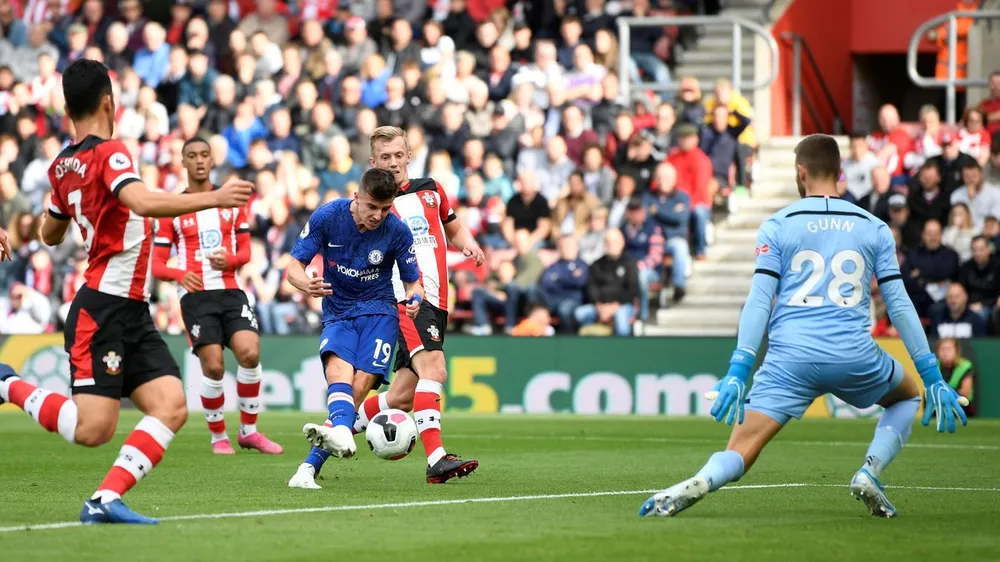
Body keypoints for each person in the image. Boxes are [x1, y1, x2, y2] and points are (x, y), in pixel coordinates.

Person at [639, 134, 969, 519]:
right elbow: (898, 303)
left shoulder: (778, 225)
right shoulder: (874, 227)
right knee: (907, 396)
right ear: (840, 173)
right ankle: (870, 470)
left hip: (789, 358)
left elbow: (760, 301)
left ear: (801, 172)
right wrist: (930, 374)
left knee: (740, 448)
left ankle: (702, 479)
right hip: (853, 354)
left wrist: (738, 369)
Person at [0, 59, 252, 525]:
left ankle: (104, 500)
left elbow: (50, 233)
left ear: (66, 107)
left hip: (130, 309)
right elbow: (142, 202)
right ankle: (7, 382)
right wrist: (213, 197)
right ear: (107, 102)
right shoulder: (111, 152)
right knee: (93, 429)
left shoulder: (62, 165)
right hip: (101, 309)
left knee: (171, 405)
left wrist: (39, 223)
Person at [356, 125, 485, 484]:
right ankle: (436, 459)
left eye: (399, 155)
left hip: (439, 300)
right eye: (385, 157)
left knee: (399, 396)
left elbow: (452, 226)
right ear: (373, 162)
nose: (394, 163)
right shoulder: (375, 205)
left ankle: (332, 430)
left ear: (409, 155)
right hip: (409, 299)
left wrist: (468, 243)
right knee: (436, 371)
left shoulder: (431, 189)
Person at [286, 168, 424, 490]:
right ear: (357, 197)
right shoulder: (327, 217)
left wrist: (415, 298)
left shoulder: (398, 232)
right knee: (338, 373)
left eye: (385, 208)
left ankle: (308, 468)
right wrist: (307, 285)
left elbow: (412, 283)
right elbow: (293, 267)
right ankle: (326, 450)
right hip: (337, 310)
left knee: (359, 388)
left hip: (380, 312)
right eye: (372, 207)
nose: (378, 215)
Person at [151, 137, 282, 456]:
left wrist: (233, 261)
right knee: (213, 367)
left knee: (250, 353)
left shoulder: (232, 202)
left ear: (212, 161)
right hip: (195, 296)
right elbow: (155, 264)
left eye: (204, 155)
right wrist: (180, 274)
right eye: (192, 155)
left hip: (230, 290)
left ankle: (249, 431)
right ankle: (218, 436)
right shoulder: (172, 209)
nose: (198, 160)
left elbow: (247, 252)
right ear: (183, 163)